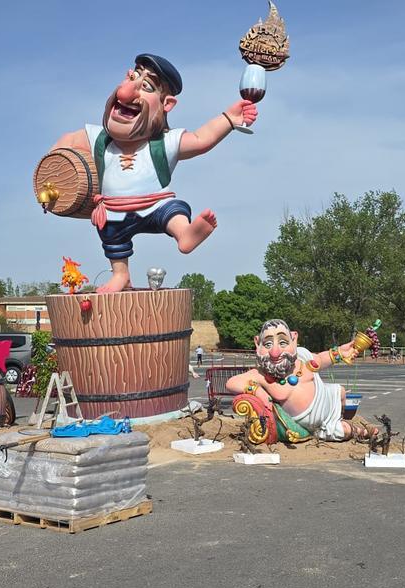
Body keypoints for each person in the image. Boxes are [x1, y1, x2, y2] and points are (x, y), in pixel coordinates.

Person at [49, 54, 258, 293]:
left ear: (166, 104)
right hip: (114, 210)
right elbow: (67, 142)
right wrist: (50, 176)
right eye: (133, 76)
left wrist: (229, 119)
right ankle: (121, 275)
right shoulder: (100, 139)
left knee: (174, 210)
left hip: (154, 204)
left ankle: (184, 234)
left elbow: (201, 139)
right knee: (111, 237)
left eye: (146, 86)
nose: (128, 92)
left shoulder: (163, 143)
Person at [225, 319, 379, 441]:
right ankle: (357, 431)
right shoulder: (259, 374)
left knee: (341, 392)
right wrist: (257, 391)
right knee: (342, 431)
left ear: (294, 339)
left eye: (283, 342)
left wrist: (340, 352)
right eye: (267, 344)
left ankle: (344, 419)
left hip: (327, 396)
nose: (275, 352)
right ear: (257, 343)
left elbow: (320, 359)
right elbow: (231, 383)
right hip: (315, 423)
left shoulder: (302, 355)